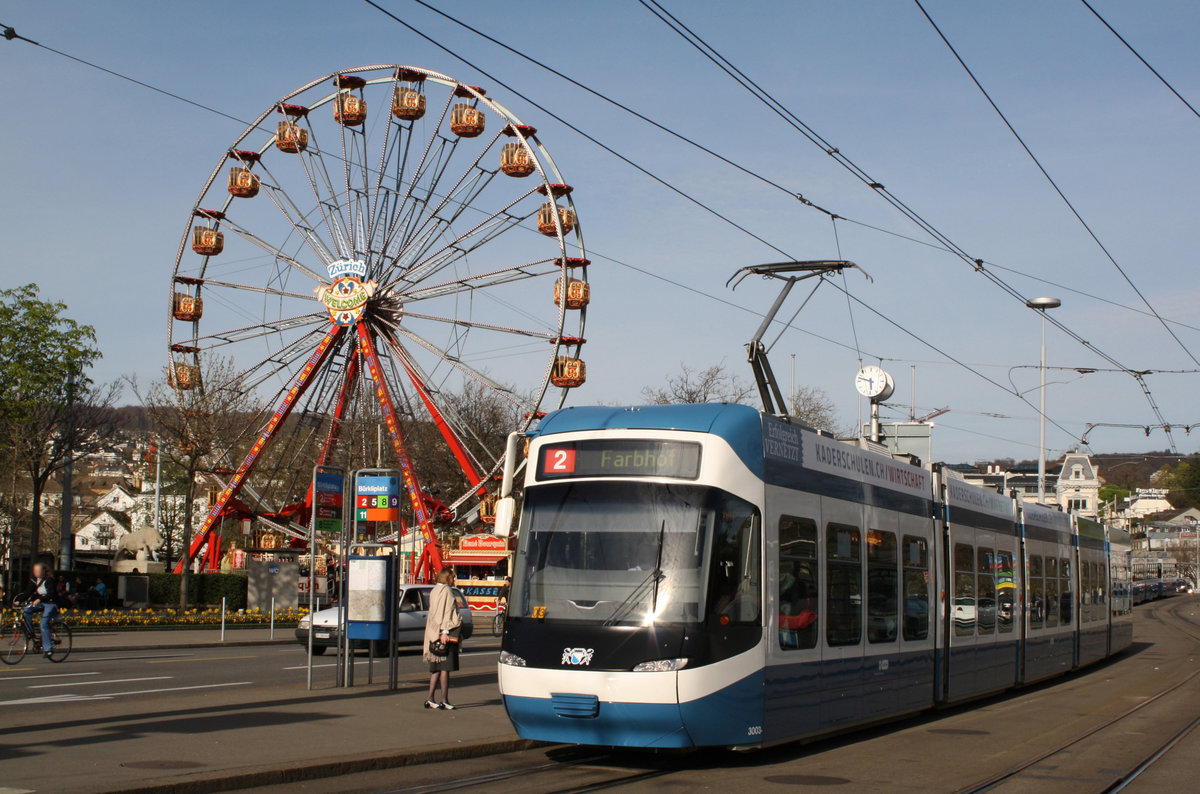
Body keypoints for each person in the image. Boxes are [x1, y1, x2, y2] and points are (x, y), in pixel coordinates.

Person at [422, 568, 462, 710]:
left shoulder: (434, 591)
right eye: (452, 577)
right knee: (445, 668)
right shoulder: (447, 591)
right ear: (448, 578)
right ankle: (444, 700)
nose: (453, 580)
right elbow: (447, 611)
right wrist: (445, 630)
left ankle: (430, 698)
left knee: (435, 669)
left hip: (432, 633)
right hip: (445, 634)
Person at [19, 563, 62, 658]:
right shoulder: (35, 580)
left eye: (38, 571)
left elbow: (51, 594)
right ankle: (31, 633)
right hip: (41, 603)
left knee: (43, 624)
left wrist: (40, 599)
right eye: (34, 571)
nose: (36, 573)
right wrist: (18, 601)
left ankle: (48, 650)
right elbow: (28, 592)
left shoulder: (49, 580)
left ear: (43, 571)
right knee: (26, 611)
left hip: (51, 604)